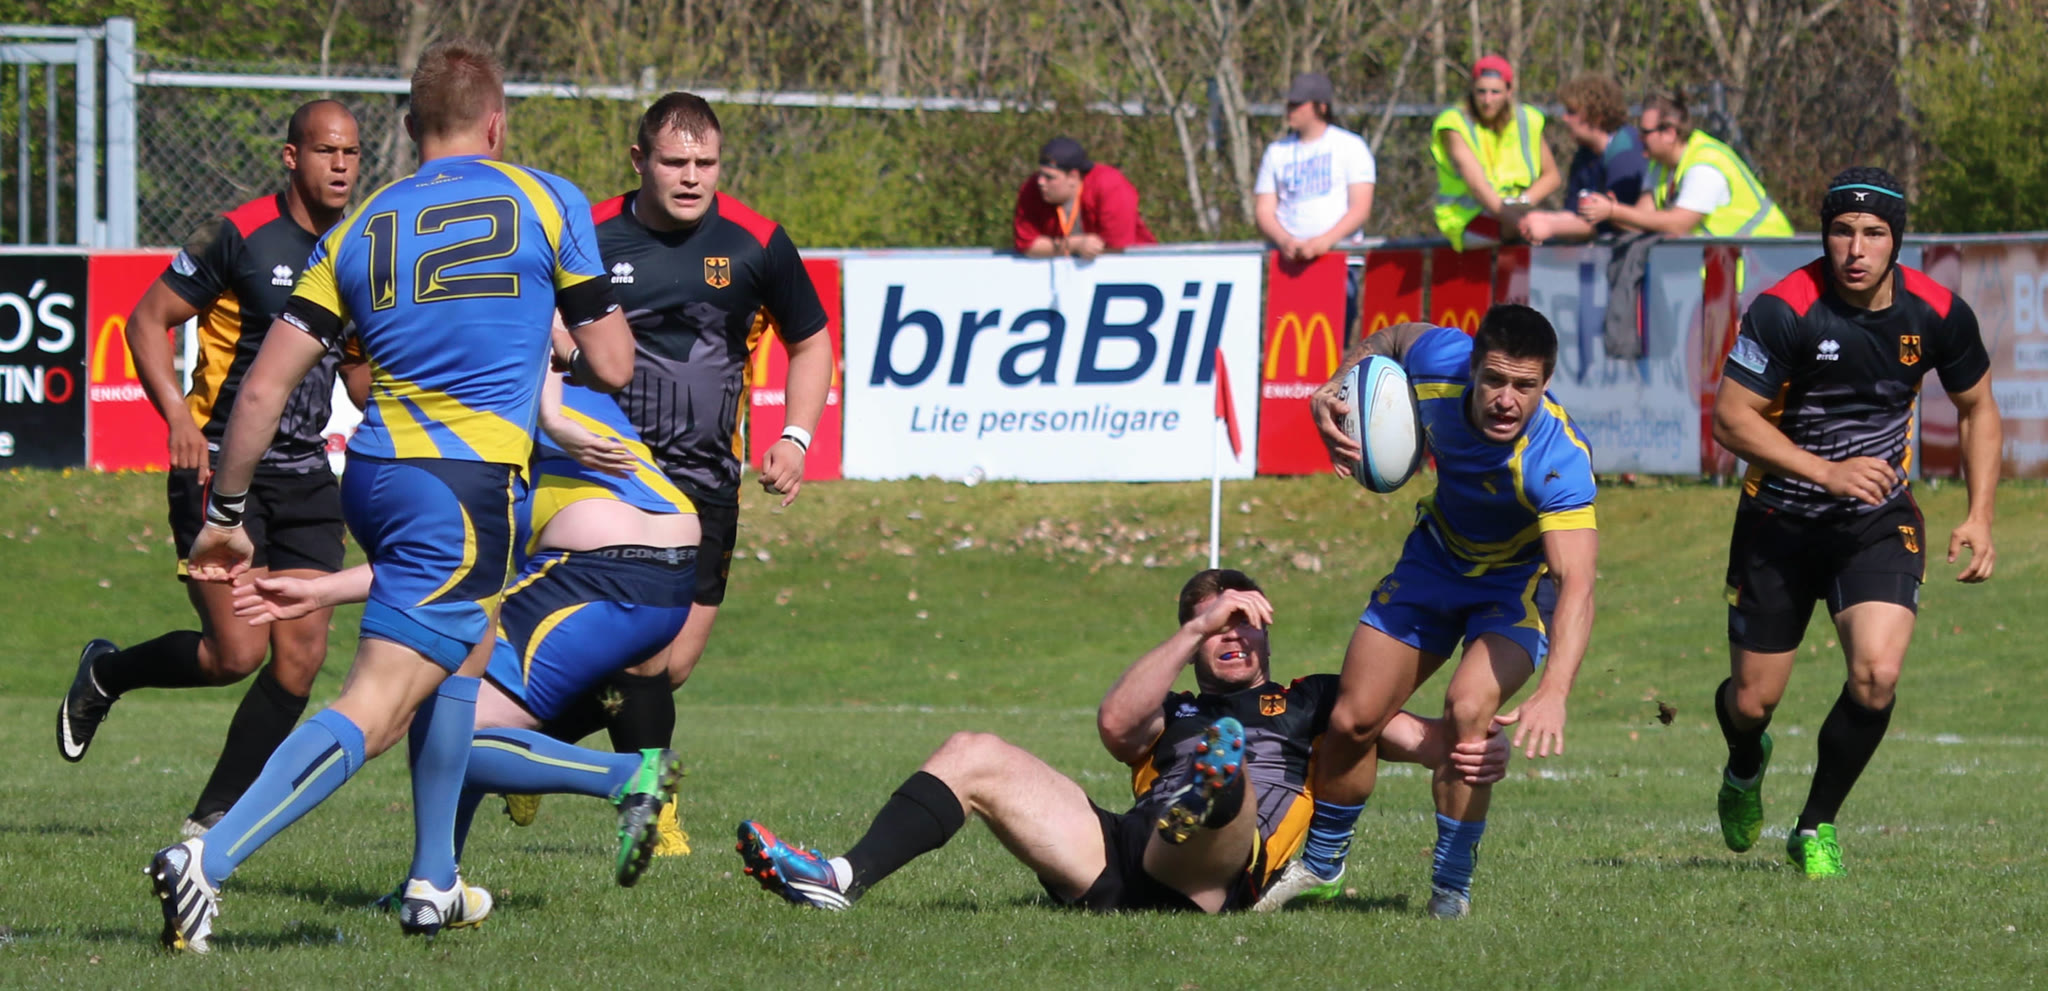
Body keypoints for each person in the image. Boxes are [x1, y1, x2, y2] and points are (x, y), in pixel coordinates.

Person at [144, 38, 636, 953]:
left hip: (373, 476)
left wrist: (224, 518)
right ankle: (205, 860)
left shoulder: (356, 227)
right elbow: (612, 362)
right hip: (466, 487)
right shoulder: (548, 198)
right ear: (497, 125)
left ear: (410, 129)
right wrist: (552, 339)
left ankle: (434, 879)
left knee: (461, 664)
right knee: (373, 707)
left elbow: (261, 389)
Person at [733, 569, 1513, 914]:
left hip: (1217, 875)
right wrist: (1195, 627)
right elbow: (1114, 725)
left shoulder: (1314, 697)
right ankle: (839, 877)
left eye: (1241, 620)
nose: (1230, 635)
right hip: (1117, 858)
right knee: (972, 748)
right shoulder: (1168, 707)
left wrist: (1477, 742)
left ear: (1266, 626)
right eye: (1214, 627)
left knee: (1229, 772)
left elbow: (1427, 739)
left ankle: (1211, 790)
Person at [232, 374, 699, 889]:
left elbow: (436, 563)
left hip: (596, 570)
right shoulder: (557, 378)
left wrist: (321, 591)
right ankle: (433, 881)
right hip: (674, 568)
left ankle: (626, 777)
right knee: (457, 697)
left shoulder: (472, 412)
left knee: (451, 731)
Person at [57, 101, 363, 837]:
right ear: (291, 157)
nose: (341, 165)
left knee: (301, 658)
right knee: (236, 652)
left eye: (352, 152)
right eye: (326, 150)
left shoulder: (361, 249)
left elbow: (358, 375)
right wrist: (177, 417)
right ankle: (107, 672)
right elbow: (146, 321)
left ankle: (209, 823)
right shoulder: (237, 235)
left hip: (305, 472)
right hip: (221, 466)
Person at [538, 93, 831, 857]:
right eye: (675, 162)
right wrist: (567, 358)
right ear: (640, 160)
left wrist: (796, 436)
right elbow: (538, 321)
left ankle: (526, 748)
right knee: (639, 653)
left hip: (707, 484)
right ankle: (653, 808)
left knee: (669, 665)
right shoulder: (586, 234)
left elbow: (810, 340)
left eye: (706, 163)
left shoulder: (757, 242)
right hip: (612, 478)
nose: (692, 176)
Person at [1708, 167, 2000, 878]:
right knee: (1751, 702)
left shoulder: (1938, 312)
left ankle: (1815, 825)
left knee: (1877, 674)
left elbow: (1978, 408)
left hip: (1876, 520)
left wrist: (1980, 514)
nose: (1856, 248)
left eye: (1873, 233)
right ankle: (1745, 761)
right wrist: (1827, 471)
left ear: (1896, 240)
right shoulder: (1784, 309)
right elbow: (1731, 418)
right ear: (1825, 236)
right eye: (1842, 231)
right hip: (1779, 520)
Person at [1285, 305, 1598, 919]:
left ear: (1546, 383)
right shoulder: (1440, 364)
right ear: (1472, 367)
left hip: (1511, 588)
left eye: (1525, 386)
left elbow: (1577, 586)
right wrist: (1337, 383)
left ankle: (1450, 892)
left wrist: (1556, 690)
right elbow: (1397, 337)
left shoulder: (1558, 457)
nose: (1506, 400)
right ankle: (1322, 866)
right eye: (1494, 380)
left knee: (1468, 711)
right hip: (1435, 562)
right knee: (1353, 719)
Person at [1253, 71, 1377, 335]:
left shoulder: (1350, 146)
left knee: (1333, 342)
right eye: (1289, 103)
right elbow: (1264, 209)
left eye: (1298, 103)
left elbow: (1360, 207)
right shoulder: (1276, 152)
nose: (1290, 109)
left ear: (1321, 107)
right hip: (1288, 265)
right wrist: (1285, 240)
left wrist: (1324, 242)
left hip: (1338, 261)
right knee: (1288, 345)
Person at [1575, 92, 1792, 240]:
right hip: (1728, 270)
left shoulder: (1705, 166)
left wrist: (1615, 211)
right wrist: (1613, 213)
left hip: (1768, 263)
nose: (1639, 138)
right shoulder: (1659, 165)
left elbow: (1678, 224)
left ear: (1670, 133)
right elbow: (1642, 219)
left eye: (1645, 132)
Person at [1430, 55, 1561, 251]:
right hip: (1466, 220)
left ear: (1509, 91)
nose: (1487, 100)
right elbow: (1479, 188)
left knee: (1565, 224)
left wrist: (1523, 202)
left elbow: (1551, 177)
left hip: (1513, 212)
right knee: (1540, 226)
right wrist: (1522, 225)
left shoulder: (1527, 120)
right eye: (1481, 92)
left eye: (1495, 92)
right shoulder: (1454, 123)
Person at [1516, 74, 1646, 245]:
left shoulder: (1625, 154)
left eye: (1572, 112)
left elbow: (1609, 224)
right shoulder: (1585, 153)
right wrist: (1543, 219)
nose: (1564, 118)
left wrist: (1552, 227)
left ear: (1596, 116)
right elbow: (1574, 213)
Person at [1012, 137, 1158, 259]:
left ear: (1073, 176)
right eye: (1040, 174)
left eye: (1050, 177)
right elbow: (1027, 245)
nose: (1040, 182)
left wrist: (1055, 247)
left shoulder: (1109, 185)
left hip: (1135, 267)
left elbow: (1117, 249)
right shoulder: (1031, 189)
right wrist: (1074, 245)